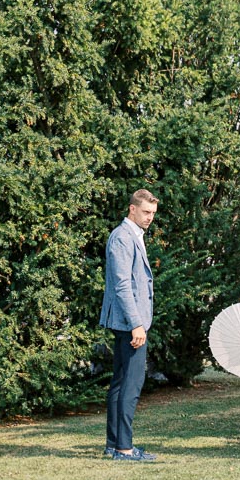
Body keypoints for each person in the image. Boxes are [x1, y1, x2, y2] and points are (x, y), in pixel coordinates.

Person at [100, 187, 159, 462]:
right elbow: (123, 285)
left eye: (153, 213)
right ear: (132, 209)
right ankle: (124, 447)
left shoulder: (131, 235)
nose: (149, 218)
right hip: (128, 322)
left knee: (121, 382)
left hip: (127, 321)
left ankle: (114, 445)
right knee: (131, 384)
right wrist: (137, 324)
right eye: (146, 212)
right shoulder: (122, 237)